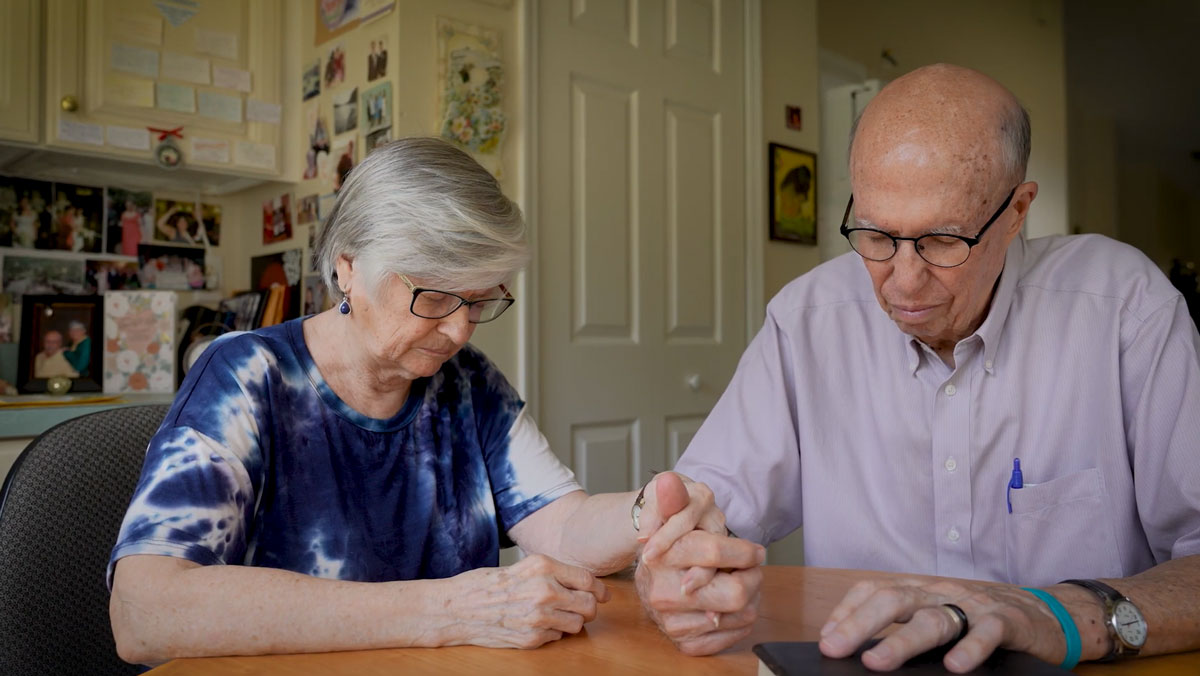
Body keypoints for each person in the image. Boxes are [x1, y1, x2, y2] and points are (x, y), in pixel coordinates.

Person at [107, 137, 762, 664]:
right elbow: (146, 612)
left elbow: (561, 526)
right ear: (347, 266)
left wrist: (650, 511)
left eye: (480, 299)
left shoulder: (467, 383)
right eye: (434, 296)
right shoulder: (247, 374)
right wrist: (449, 610)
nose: (458, 330)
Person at [667, 63, 1200, 671]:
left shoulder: (1125, 309)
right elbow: (707, 523)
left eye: (944, 241)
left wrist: (1060, 613)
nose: (904, 281)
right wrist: (685, 574)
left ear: (1018, 210)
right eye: (874, 235)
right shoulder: (807, 320)